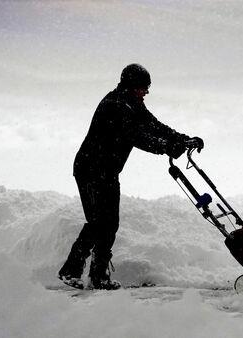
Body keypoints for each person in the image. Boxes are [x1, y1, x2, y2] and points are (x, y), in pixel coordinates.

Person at [58, 64, 203, 290]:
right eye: (143, 87)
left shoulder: (132, 104)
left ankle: (98, 276)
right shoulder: (114, 106)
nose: (146, 92)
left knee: (108, 223)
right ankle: (71, 271)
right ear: (131, 85)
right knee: (99, 222)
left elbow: (153, 125)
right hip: (91, 169)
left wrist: (183, 139)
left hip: (106, 171)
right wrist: (166, 147)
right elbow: (136, 136)